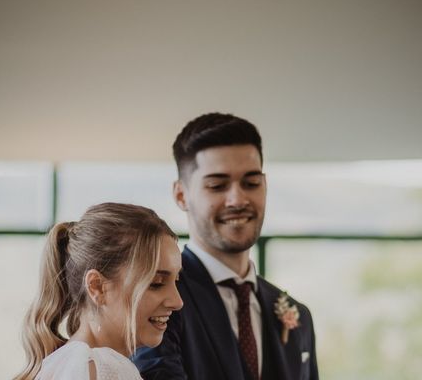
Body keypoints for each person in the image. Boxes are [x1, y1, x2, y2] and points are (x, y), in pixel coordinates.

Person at [134, 113, 319, 380]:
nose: (237, 199)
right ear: (181, 195)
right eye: (218, 186)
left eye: (251, 183)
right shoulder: (157, 303)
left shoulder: (297, 315)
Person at [14, 202, 183, 380]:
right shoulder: (108, 369)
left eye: (176, 281)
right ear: (97, 287)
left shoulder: (65, 363)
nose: (177, 301)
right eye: (156, 283)